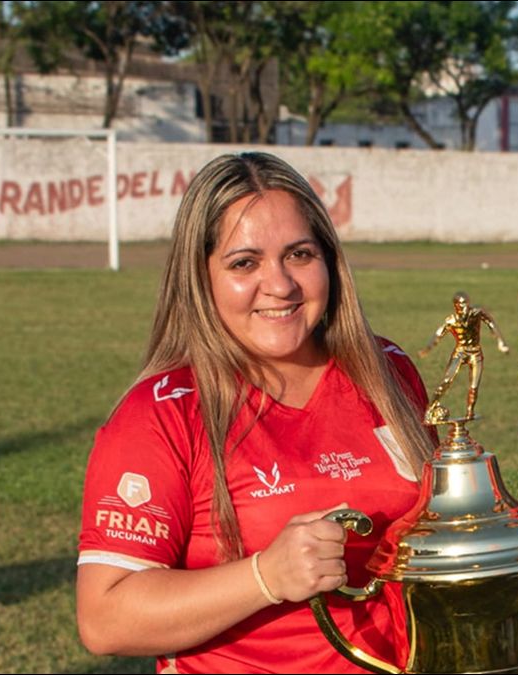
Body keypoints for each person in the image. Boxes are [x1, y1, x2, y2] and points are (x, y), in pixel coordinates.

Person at [75, 152, 436, 673]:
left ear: (329, 259)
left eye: (299, 254)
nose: (281, 284)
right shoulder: (160, 414)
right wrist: (266, 576)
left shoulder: (387, 370)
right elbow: (105, 618)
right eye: (244, 262)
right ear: (200, 278)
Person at [418, 291, 510, 422]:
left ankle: (469, 412)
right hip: (460, 352)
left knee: (474, 386)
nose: (464, 307)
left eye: (466, 303)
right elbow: (438, 335)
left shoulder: (477, 313)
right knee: (446, 381)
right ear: (456, 306)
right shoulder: (451, 320)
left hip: (476, 352)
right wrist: (426, 349)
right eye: (461, 305)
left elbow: (491, 323)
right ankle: (430, 408)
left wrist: (501, 342)